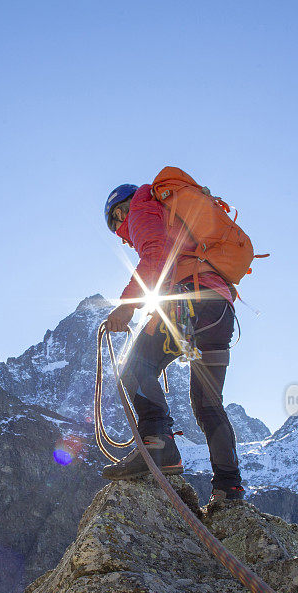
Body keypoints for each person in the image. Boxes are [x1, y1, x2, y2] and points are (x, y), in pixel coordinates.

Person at [102, 180, 245, 508]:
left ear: (119, 211)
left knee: (134, 367)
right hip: (220, 307)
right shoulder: (173, 216)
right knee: (207, 403)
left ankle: (158, 445)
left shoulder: (140, 206)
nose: (121, 234)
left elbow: (155, 255)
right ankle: (229, 489)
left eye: (116, 224)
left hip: (188, 300)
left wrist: (126, 307)